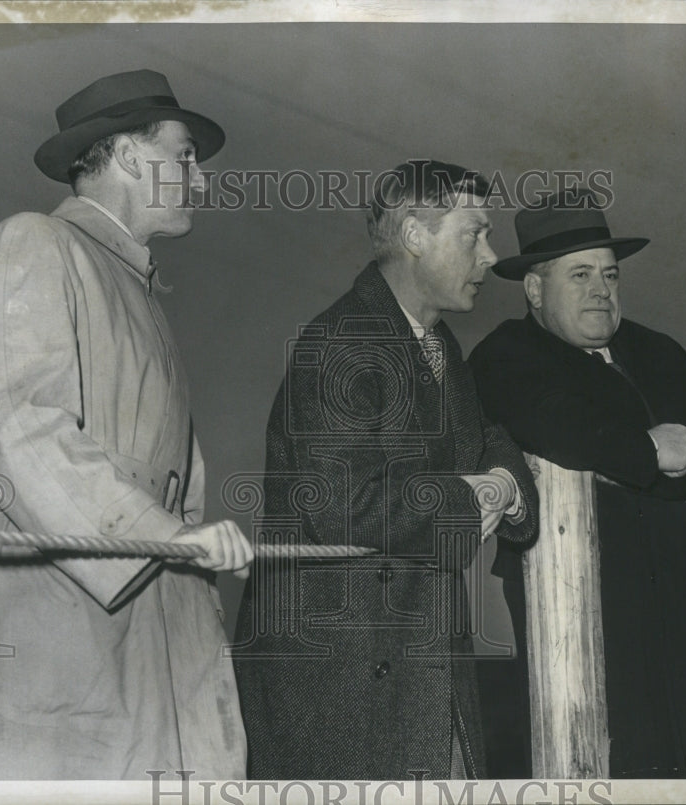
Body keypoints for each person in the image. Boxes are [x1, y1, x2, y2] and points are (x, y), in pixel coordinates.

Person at [0, 69, 253, 780]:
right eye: (183, 156)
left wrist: (178, 546)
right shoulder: (34, 243)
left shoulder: (135, 290)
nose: (201, 181)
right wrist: (164, 536)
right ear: (125, 154)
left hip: (134, 624)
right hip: (53, 622)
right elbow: (11, 420)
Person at [232, 160, 538, 780]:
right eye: (473, 233)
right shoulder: (340, 343)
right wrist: (468, 498)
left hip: (417, 675)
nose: (491, 255)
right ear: (415, 236)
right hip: (336, 688)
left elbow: (488, 442)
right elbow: (342, 503)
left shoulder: (437, 345)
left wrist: (503, 484)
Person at [468, 190, 686, 778]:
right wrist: (649, 448)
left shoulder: (660, 352)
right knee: (593, 755)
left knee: (684, 754)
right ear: (533, 289)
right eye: (579, 275)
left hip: (678, 586)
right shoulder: (505, 355)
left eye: (609, 273)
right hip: (576, 590)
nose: (601, 289)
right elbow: (567, 430)